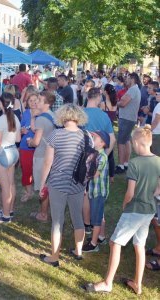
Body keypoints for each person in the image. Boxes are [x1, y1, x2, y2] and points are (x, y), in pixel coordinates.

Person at [83, 126, 160, 294]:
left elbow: (130, 193)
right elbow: (158, 189)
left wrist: (125, 205)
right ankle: (138, 284)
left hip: (134, 210)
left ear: (138, 144)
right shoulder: (158, 161)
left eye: (133, 143)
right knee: (139, 245)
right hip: (149, 210)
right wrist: (150, 194)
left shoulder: (134, 163)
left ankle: (107, 283)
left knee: (115, 243)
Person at [39, 104, 88, 266]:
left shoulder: (56, 135)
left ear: (62, 117)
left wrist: (42, 183)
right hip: (78, 184)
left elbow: (48, 162)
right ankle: (79, 252)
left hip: (58, 183)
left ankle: (54, 257)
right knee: (77, 218)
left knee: (57, 221)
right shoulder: (86, 135)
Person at [0, 93, 21, 223]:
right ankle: (10, 209)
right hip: (13, 152)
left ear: (1, 104)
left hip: (3, 154)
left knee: (5, 187)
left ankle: (6, 215)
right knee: (11, 184)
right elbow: (18, 138)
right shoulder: (15, 118)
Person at [27, 91, 55, 223]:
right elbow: (38, 130)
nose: (36, 102)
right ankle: (45, 211)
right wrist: (33, 118)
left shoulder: (42, 118)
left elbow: (36, 142)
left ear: (47, 104)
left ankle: (43, 214)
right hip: (51, 155)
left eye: (39, 100)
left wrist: (29, 142)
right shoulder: (51, 115)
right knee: (49, 184)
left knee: (43, 186)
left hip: (42, 156)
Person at [82, 131, 109, 253]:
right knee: (99, 214)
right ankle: (101, 237)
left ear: (102, 143)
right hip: (94, 191)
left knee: (96, 219)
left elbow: (94, 174)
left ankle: (93, 244)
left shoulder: (102, 156)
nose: (92, 139)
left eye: (95, 138)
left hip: (99, 192)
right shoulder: (96, 154)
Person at [116, 72, 141, 174]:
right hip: (129, 118)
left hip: (126, 118)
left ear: (132, 79)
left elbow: (123, 103)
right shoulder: (135, 89)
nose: (125, 79)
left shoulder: (133, 89)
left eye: (127, 78)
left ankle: (121, 166)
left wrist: (115, 103)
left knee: (121, 142)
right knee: (126, 140)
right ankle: (125, 163)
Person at [19, 92, 39, 202]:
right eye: (30, 101)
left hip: (38, 147)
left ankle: (41, 191)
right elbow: (21, 127)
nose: (32, 103)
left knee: (37, 170)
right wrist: (22, 130)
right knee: (26, 170)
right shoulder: (26, 113)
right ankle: (28, 192)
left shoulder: (42, 114)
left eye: (35, 100)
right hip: (25, 147)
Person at [100, 84, 118, 182]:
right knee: (111, 155)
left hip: (104, 129)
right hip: (111, 128)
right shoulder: (115, 103)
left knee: (103, 152)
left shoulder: (103, 104)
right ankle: (112, 176)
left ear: (106, 92)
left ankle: (102, 171)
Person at [150, 90, 160, 156]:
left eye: (158, 94)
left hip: (156, 133)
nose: (156, 95)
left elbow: (156, 120)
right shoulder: (158, 104)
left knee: (155, 154)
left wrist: (149, 130)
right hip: (157, 132)